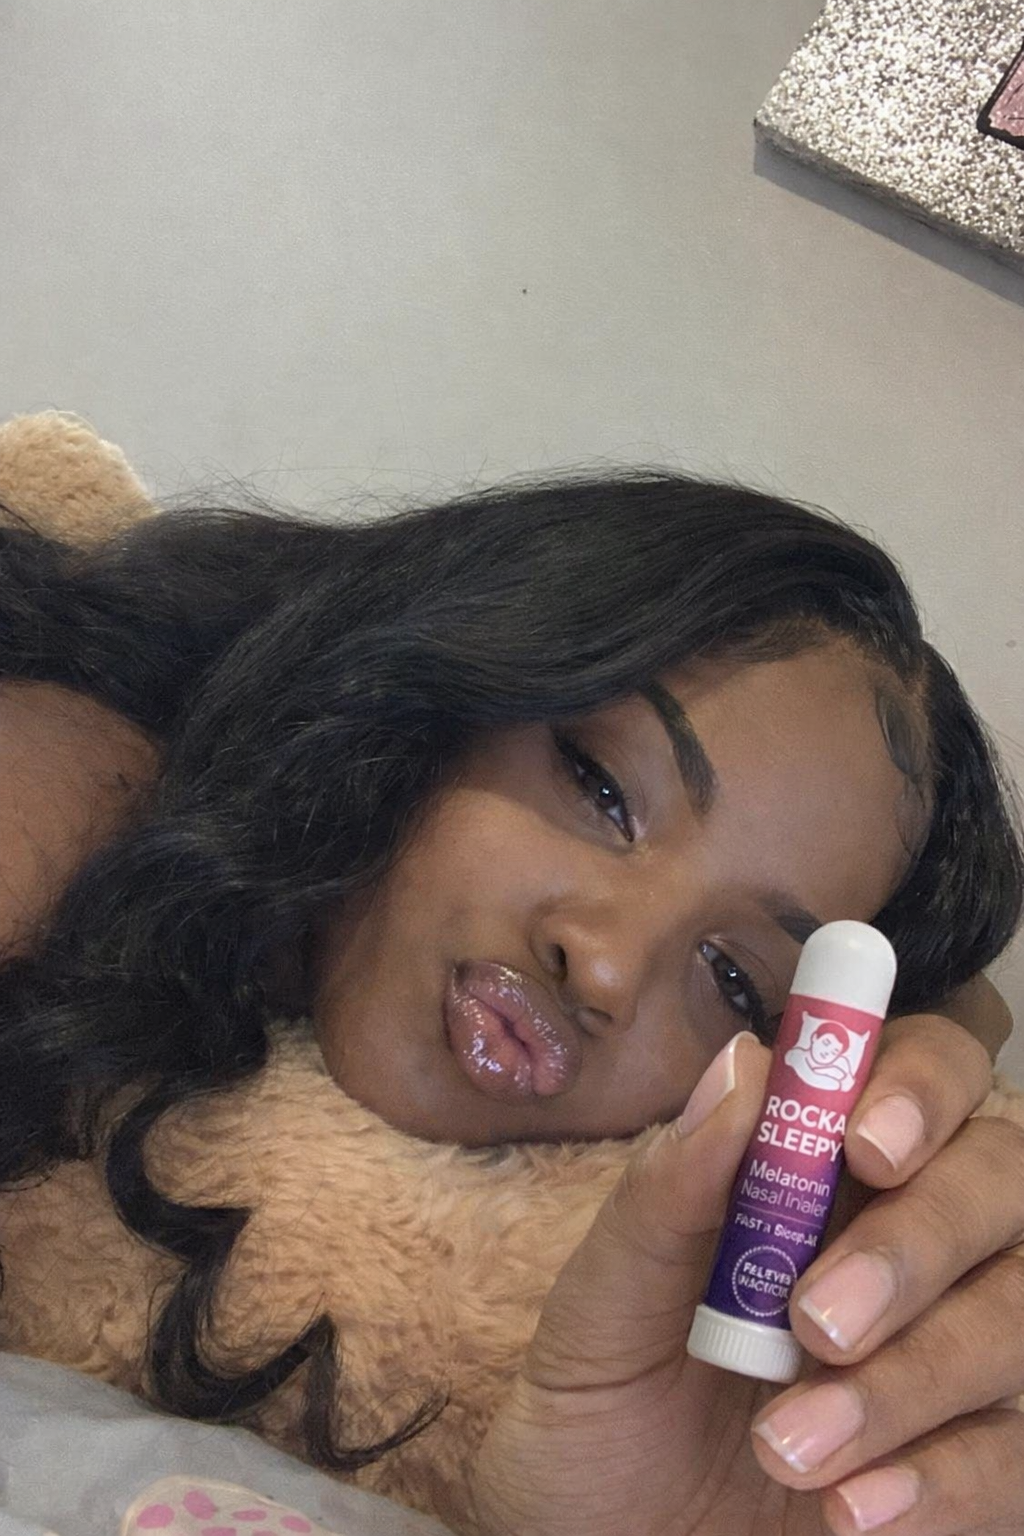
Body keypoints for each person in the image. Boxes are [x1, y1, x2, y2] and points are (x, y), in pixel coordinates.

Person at [0, 470, 1022, 1535]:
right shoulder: (66, 788)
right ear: (441, 688)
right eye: (602, 791)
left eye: (731, 978)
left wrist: (926, 1056)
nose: (609, 966)